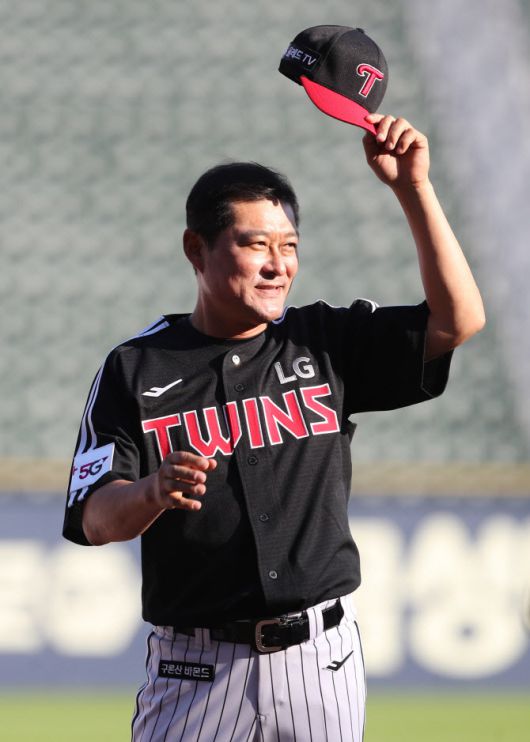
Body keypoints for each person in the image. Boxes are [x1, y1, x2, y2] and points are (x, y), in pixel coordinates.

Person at [63, 113, 485, 742]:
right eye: (255, 244)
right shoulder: (137, 367)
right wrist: (152, 491)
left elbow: (458, 320)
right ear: (196, 249)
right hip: (195, 671)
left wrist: (413, 188)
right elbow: (94, 519)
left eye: (289, 246)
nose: (277, 265)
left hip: (322, 662)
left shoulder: (325, 340)